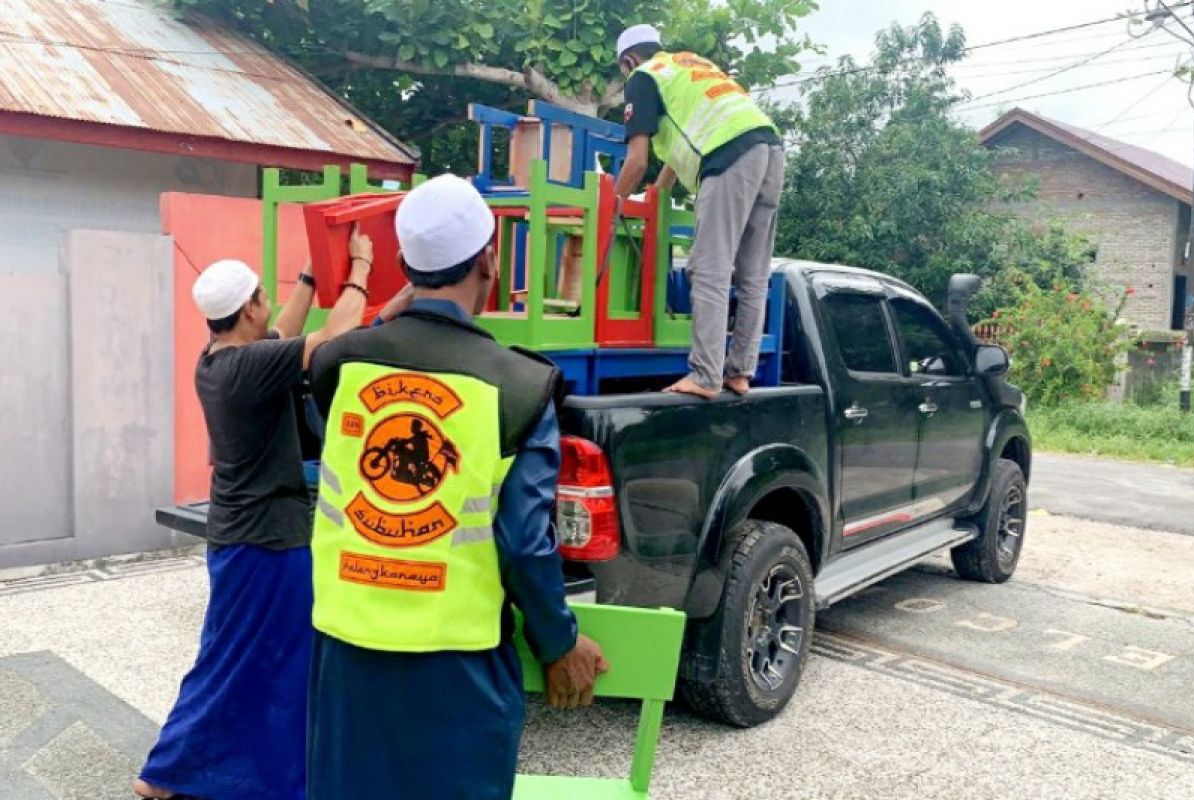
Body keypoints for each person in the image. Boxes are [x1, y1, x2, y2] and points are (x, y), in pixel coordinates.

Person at [306, 175, 608, 800]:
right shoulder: (520, 387)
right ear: (490, 260)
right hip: (458, 666)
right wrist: (559, 641)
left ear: (402, 265)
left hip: (346, 659)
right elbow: (526, 542)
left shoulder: (338, 366)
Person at [134, 230, 381, 800]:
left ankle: (174, 772)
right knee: (264, 660)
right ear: (247, 308)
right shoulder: (247, 369)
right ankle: (173, 774)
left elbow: (286, 333)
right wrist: (360, 269)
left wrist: (313, 278)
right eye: (264, 295)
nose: (271, 302)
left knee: (232, 656)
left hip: (243, 539)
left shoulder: (219, 360)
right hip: (266, 542)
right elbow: (331, 336)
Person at [612, 23, 786, 399]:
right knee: (753, 274)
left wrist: (610, 204)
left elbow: (637, 161)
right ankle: (739, 372)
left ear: (628, 60)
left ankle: (705, 375)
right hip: (769, 148)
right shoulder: (686, 65)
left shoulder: (642, 77)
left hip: (728, 154)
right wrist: (657, 193)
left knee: (708, 267)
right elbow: (680, 145)